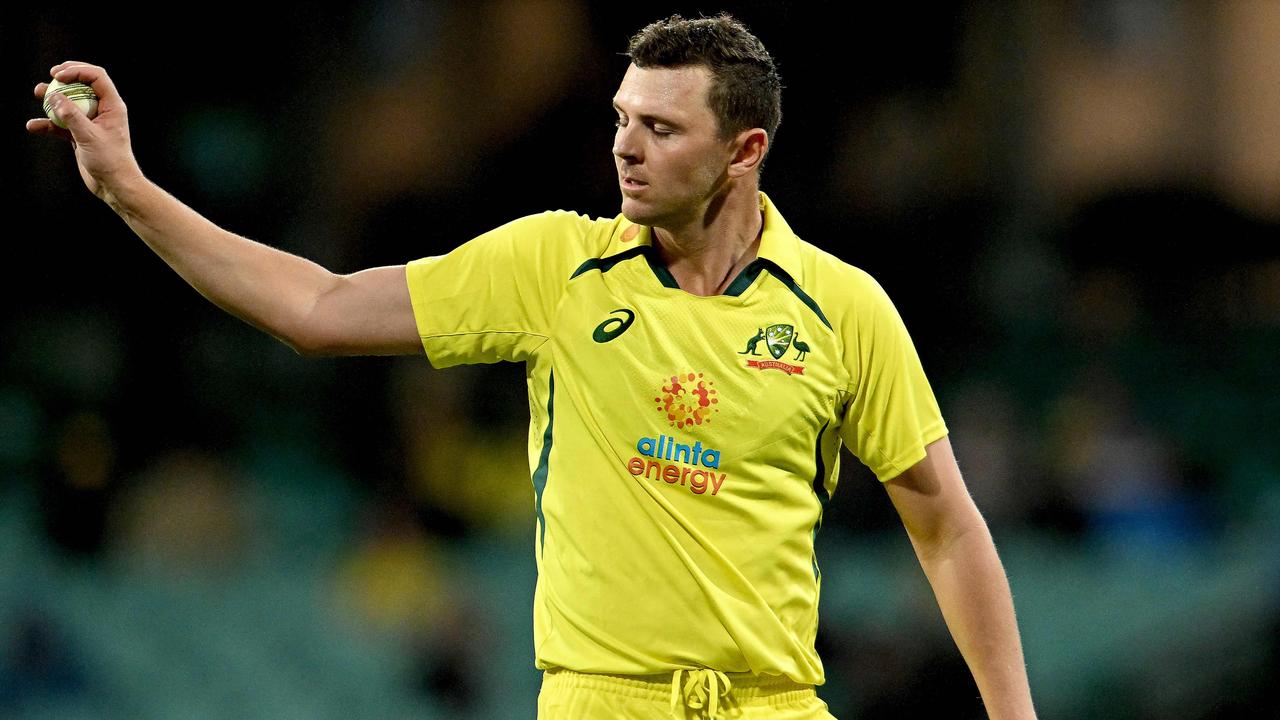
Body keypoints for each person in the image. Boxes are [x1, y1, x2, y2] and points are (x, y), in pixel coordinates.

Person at [27, 13, 1037, 720]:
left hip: (773, 708)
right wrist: (127, 191)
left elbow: (945, 526)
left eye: (659, 127)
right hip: (600, 703)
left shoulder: (842, 308)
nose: (624, 148)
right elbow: (318, 308)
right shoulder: (555, 265)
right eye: (619, 119)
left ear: (743, 150)